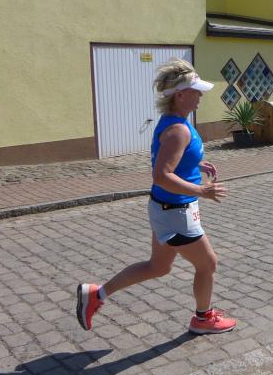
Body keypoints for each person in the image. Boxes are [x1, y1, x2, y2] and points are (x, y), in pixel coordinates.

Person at [77, 58, 236, 334]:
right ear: (180, 95)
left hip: (165, 208)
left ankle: (96, 294)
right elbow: (162, 175)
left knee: (158, 266)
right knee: (208, 263)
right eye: (196, 91)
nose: (200, 96)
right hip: (176, 212)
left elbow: (171, 159)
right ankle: (203, 319)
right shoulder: (178, 130)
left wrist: (196, 164)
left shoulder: (174, 123)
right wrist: (202, 190)